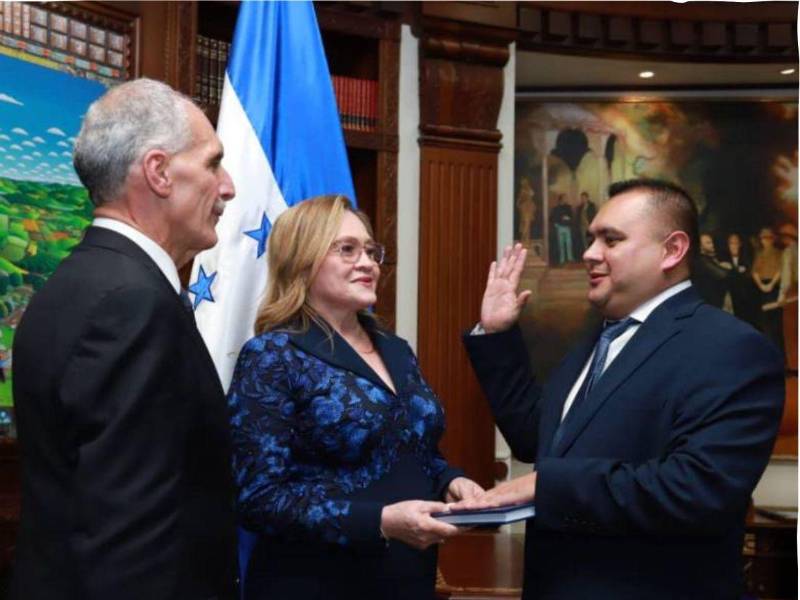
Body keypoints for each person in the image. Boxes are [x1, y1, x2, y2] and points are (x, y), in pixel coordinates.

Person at [459, 179, 784, 599]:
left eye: (610, 240)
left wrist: (547, 485)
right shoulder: (599, 338)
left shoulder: (731, 348)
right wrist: (497, 335)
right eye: (592, 238)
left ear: (673, 250)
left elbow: (698, 490)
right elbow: (538, 439)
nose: (589, 253)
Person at [10, 79, 237, 600]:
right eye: (211, 163)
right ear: (158, 172)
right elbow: (131, 532)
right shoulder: (134, 303)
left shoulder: (72, 284)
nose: (227, 187)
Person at [227, 194, 481, 600]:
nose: (368, 263)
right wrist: (380, 521)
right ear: (304, 260)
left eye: (370, 250)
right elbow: (259, 498)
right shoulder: (273, 355)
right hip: (315, 584)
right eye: (347, 250)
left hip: (406, 580)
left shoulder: (396, 349)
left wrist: (452, 480)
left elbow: (414, 451)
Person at [752, 226, 784, 356]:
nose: (766, 241)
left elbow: (781, 270)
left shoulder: (779, 253)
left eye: (768, 238)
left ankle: (780, 357)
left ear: (773, 239)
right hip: (762, 288)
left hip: (775, 287)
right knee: (765, 323)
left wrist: (771, 284)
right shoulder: (759, 254)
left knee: (776, 323)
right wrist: (761, 285)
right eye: (763, 238)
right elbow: (755, 272)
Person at [549, 194, 574, 264]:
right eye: (565, 198)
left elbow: (571, 216)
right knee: (561, 244)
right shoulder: (556, 208)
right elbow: (551, 218)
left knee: (569, 243)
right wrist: (556, 223)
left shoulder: (568, 207)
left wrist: (568, 218)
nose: (566, 199)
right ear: (561, 199)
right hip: (559, 227)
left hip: (567, 227)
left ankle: (570, 258)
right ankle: (562, 259)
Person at [572, 191, 597, 256]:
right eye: (582, 198)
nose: (583, 199)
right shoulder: (579, 207)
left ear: (587, 198)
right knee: (584, 241)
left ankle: (592, 253)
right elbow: (577, 217)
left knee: (591, 239)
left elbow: (594, 215)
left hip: (590, 225)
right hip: (582, 226)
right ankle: (586, 253)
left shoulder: (592, 206)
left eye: (584, 198)